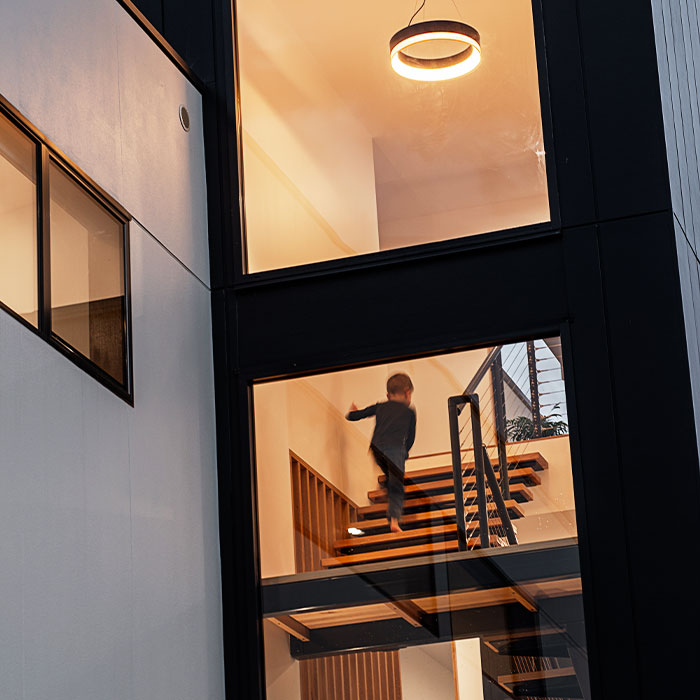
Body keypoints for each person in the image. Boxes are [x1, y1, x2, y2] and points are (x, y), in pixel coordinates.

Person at [346, 373, 416, 533]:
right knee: (397, 487)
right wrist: (405, 452)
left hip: (377, 450)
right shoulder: (409, 412)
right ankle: (394, 521)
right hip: (395, 450)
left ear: (388, 395)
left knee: (392, 478)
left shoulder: (381, 406)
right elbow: (411, 437)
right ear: (407, 393)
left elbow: (357, 415)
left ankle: (389, 487)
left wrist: (352, 413)